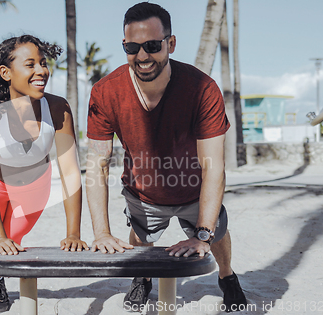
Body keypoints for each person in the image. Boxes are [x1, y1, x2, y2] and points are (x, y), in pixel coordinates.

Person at [85, 2, 247, 312]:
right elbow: (96, 164)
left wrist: (202, 233)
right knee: (140, 235)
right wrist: (102, 232)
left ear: (170, 43)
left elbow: (214, 167)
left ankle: (227, 277)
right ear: (124, 46)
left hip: (195, 191)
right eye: (133, 47)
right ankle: (142, 278)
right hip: (142, 192)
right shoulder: (106, 92)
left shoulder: (202, 89)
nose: (142, 55)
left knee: (218, 234)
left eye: (152, 45)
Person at [0, 35, 88, 314]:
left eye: (43, 63)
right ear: (6, 73)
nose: (41, 71)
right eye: (30, 64)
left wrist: (73, 232)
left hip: (34, 186)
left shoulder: (57, 107)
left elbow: (69, 170)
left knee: (14, 239)